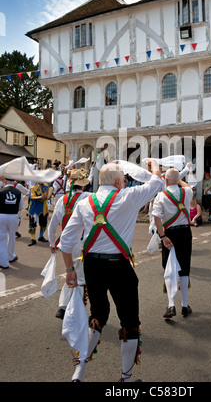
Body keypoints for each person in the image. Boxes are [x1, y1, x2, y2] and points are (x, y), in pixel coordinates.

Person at [59, 161, 163, 383]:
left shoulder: (84, 201)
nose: (124, 183)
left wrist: (70, 271)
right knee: (130, 321)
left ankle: (80, 370)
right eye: (124, 180)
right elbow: (157, 183)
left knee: (97, 315)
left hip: (92, 266)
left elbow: (66, 242)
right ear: (118, 181)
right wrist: (154, 165)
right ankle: (125, 379)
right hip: (118, 265)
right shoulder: (128, 196)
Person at [48, 168, 91, 320]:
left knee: (71, 272)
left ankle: (64, 306)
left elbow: (53, 224)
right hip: (82, 243)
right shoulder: (89, 198)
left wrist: (52, 242)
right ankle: (70, 309)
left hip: (66, 245)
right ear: (84, 185)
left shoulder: (62, 200)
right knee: (80, 277)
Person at [152, 168, 193, 319]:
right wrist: (178, 177)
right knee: (184, 267)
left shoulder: (161, 196)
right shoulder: (187, 192)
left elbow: (156, 218)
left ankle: (171, 305)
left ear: (166, 181)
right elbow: (187, 186)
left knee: (169, 267)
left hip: (169, 233)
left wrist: (162, 236)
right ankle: (184, 305)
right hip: (185, 233)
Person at [0, 178, 24, 269]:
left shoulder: (1, 191)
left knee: (2, 238)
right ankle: (10, 256)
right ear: (13, 182)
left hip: (2, 215)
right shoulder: (18, 192)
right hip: (14, 216)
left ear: (5, 182)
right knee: (12, 236)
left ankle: (3, 262)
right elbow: (21, 207)